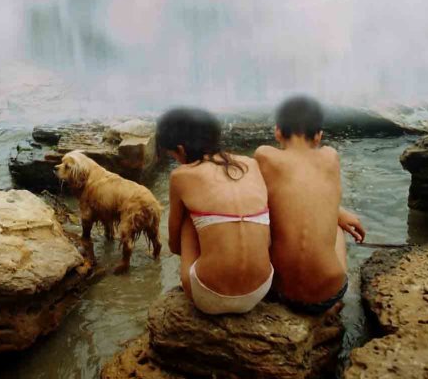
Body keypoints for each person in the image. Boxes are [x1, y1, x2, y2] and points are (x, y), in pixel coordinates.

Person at [254, 95, 366, 315]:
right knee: (335, 228)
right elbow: (320, 196)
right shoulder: (330, 157)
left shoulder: (264, 156)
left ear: (278, 132)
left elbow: (275, 198)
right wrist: (338, 214)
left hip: (278, 293)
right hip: (327, 296)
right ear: (318, 136)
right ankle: (336, 304)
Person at [156, 107, 273, 315]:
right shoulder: (251, 164)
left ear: (181, 149)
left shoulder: (181, 176)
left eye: (172, 154)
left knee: (189, 216)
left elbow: (175, 247)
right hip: (260, 289)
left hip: (209, 296)